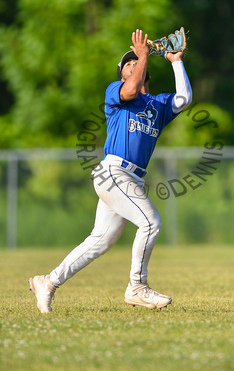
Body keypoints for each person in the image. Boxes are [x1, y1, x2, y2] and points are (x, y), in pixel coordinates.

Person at [29, 29, 192, 312]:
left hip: (132, 178)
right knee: (150, 222)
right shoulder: (116, 93)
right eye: (127, 64)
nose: (132, 65)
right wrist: (143, 55)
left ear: (146, 74)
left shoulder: (157, 105)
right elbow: (130, 89)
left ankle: (48, 281)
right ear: (121, 76)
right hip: (113, 172)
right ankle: (137, 286)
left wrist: (176, 61)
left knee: (99, 241)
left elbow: (184, 99)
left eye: (136, 63)